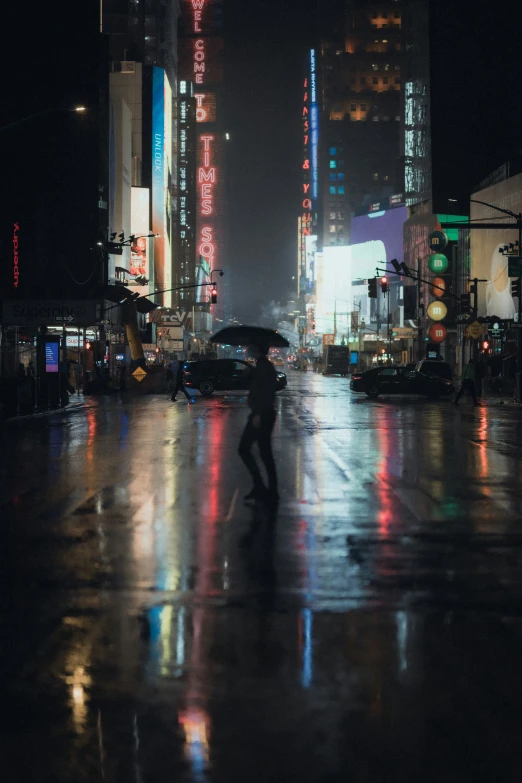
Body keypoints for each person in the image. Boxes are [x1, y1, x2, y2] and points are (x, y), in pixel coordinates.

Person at [238, 344, 279, 507]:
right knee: (264, 452)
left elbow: (265, 392)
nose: (249, 349)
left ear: (258, 349)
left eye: (252, 347)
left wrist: (258, 414)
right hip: (262, 413)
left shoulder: (264, 367)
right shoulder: (262, 366)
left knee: (246, 449)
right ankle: (265, 488)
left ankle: (263, 487)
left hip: (262, 414)